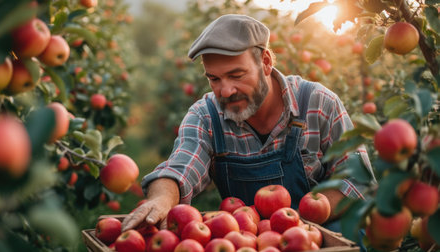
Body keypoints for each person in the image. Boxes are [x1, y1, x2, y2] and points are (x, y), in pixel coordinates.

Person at [122, 14, 375, 232]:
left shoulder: (318, 103)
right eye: (214, 79)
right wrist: (161, 200)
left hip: (315, 236)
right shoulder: (206, 115)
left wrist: (306, 219)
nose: (226, 90)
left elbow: (358, 180)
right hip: (244, 240)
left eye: (236, 75)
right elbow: (181, 167)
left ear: (265, 62)